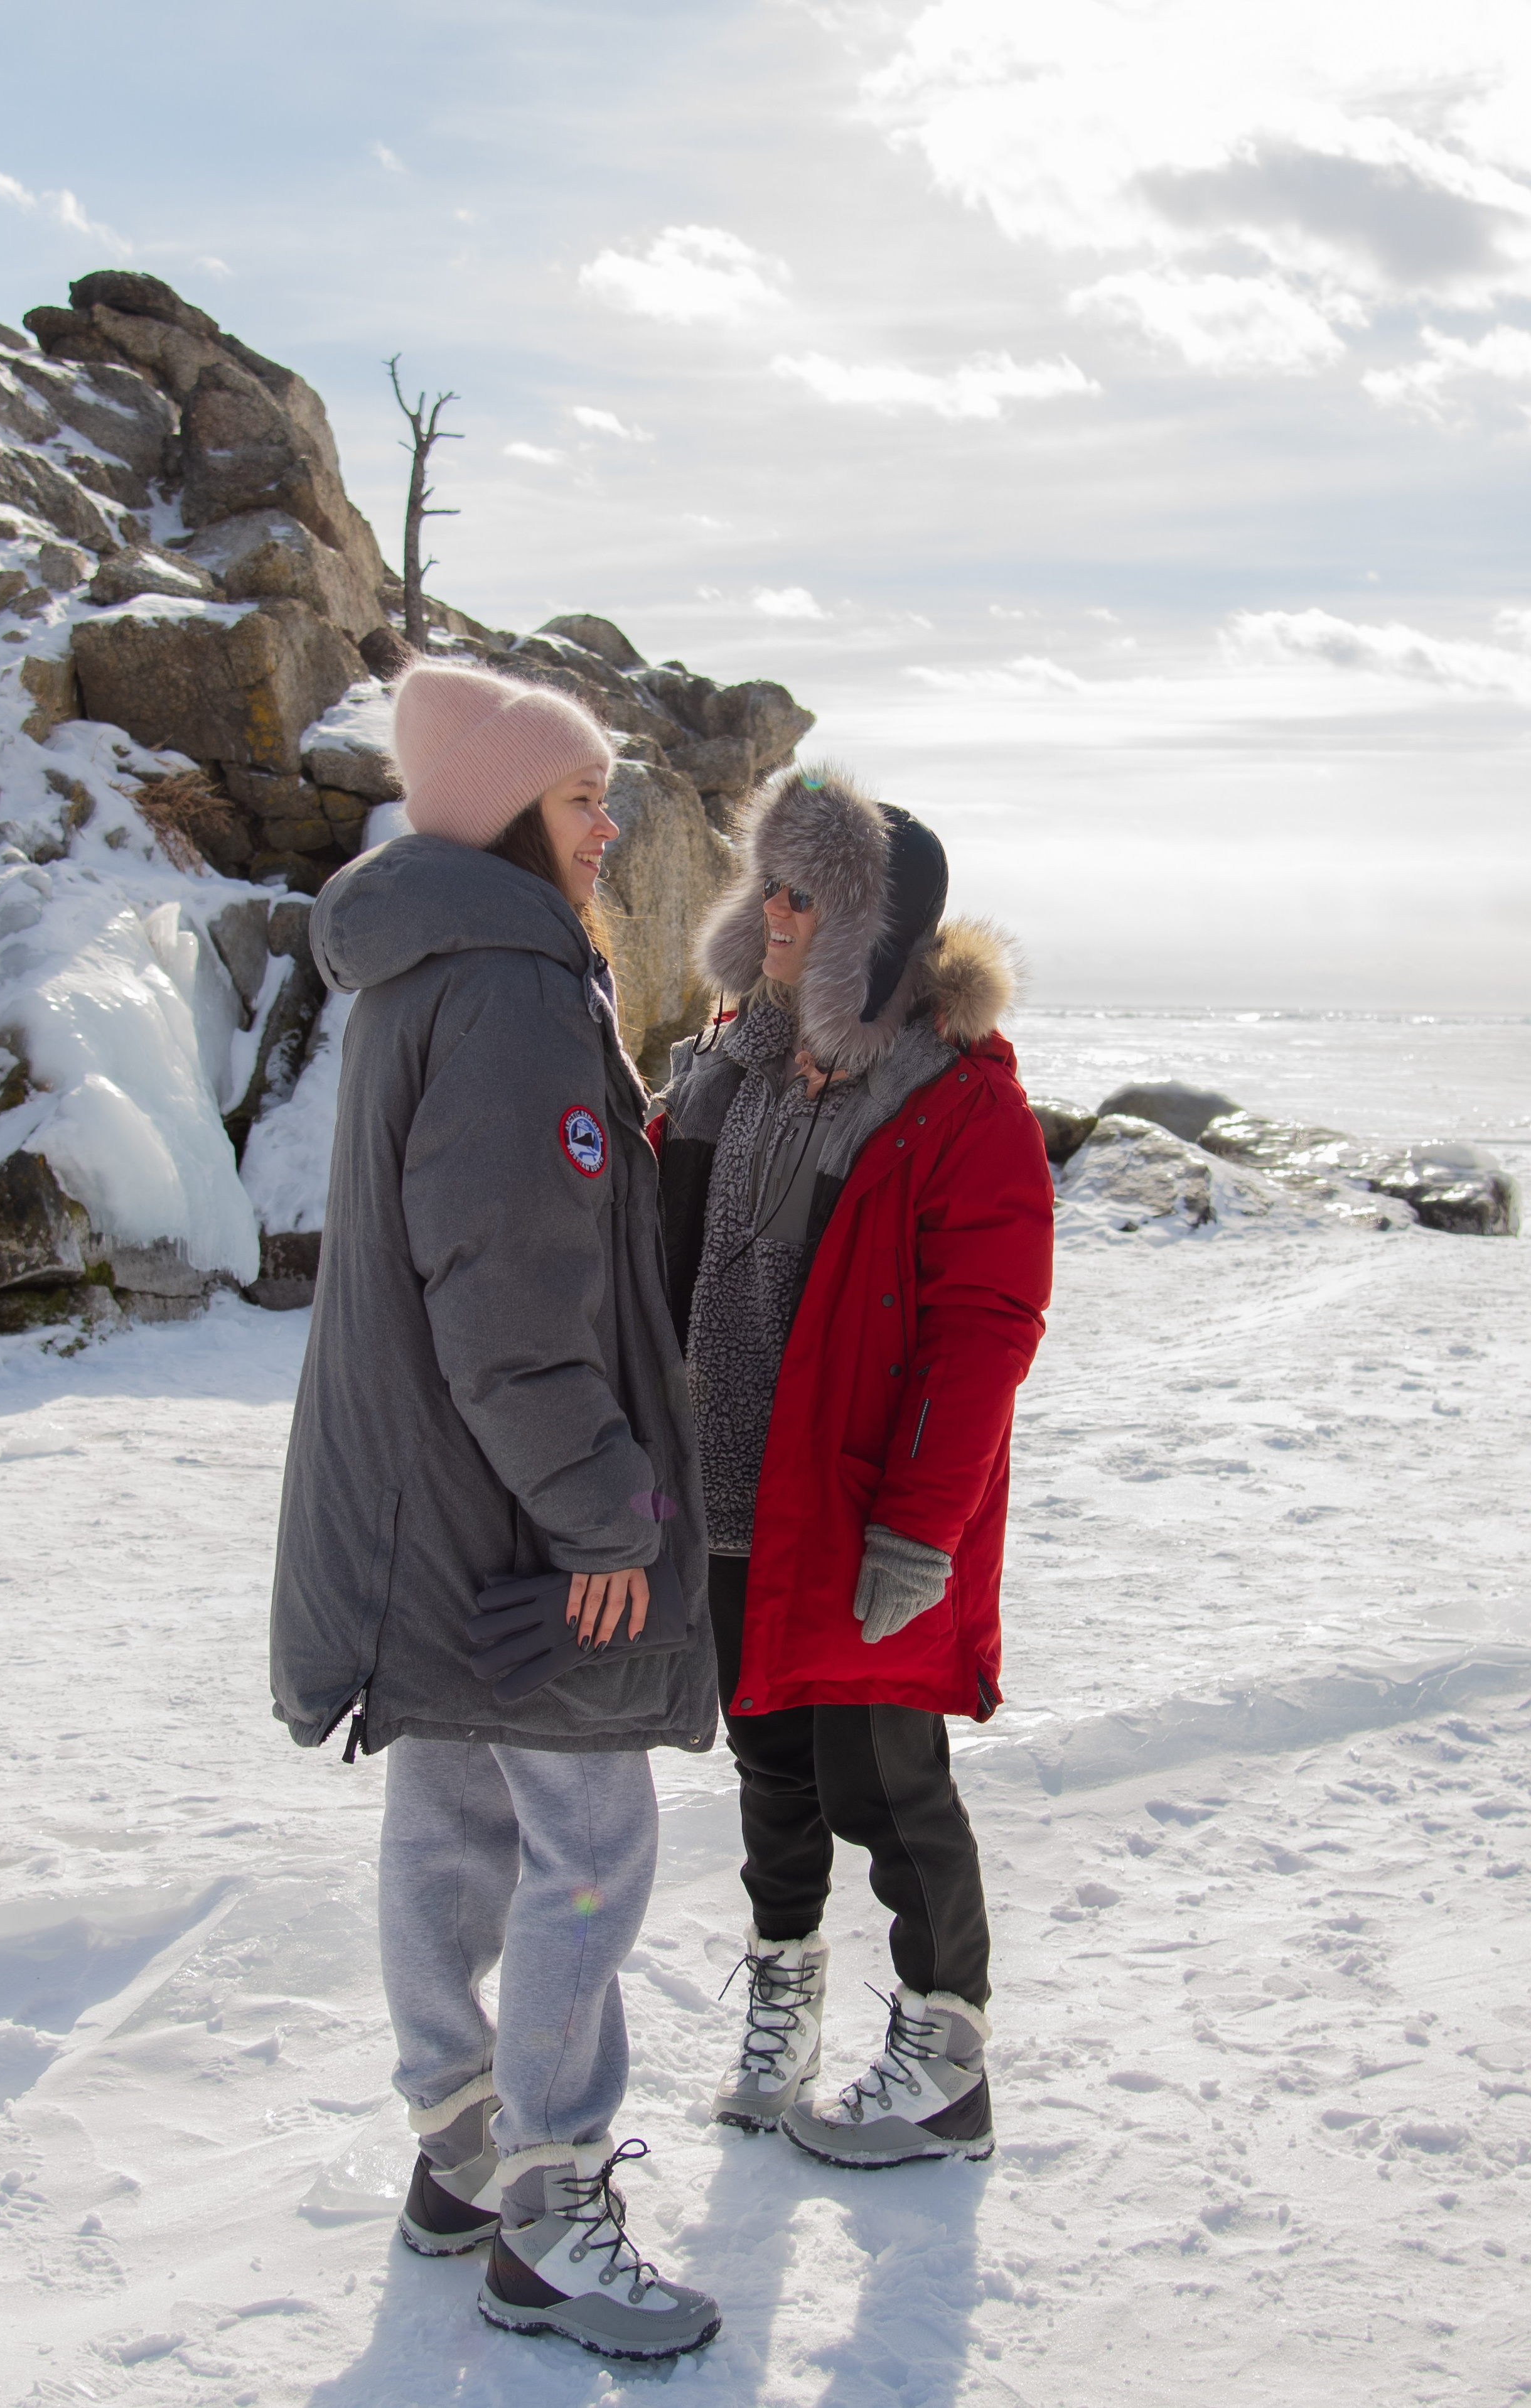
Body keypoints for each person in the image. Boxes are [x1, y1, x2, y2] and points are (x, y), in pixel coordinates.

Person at [270, 662, 721, 2360]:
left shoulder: (420, 972)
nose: (611, 823)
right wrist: (608, 1514)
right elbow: (509, 1291)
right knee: (590, 1850)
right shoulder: (518, 991)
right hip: (525, 1525)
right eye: (585, 795)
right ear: (513, 813)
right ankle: (549, 2197)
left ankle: (460, 2151)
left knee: (456, 1823)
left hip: (429, 1517)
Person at [653, 764, 1053, 2168]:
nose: (770, 909)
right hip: (725, 1488)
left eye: (803, 891)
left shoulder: (958, 1107)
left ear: (872, 932)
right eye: (767, 881)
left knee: (887, 1781)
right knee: (769, 1763)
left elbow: (982, 1334)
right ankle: (785, 2007)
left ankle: (944, 2058)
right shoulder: (732, 1060)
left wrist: (917, 1533)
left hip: (857, 1510)